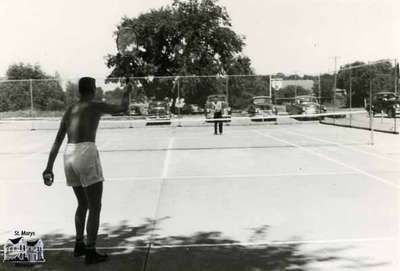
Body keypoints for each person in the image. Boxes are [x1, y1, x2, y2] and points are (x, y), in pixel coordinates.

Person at [42, 77, 132, 264]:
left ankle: (79, 244)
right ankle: (90, 251)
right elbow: (122, 108)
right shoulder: (94, 105)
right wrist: (127, 92)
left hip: (69, 154)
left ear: (79, 91)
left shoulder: (70, 110)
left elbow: (58, 141)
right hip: (85, 153)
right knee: (95, 206)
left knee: (82, 203)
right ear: (93, 89)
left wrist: (48, 168)